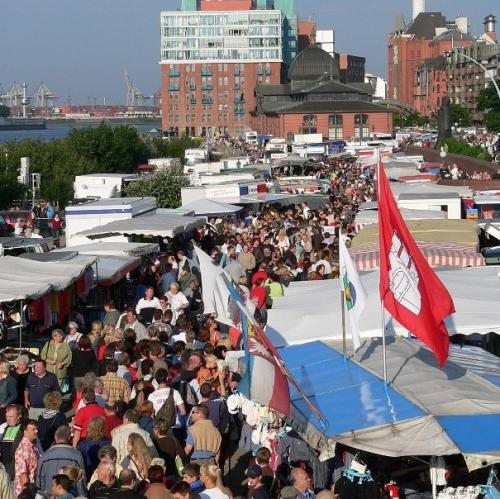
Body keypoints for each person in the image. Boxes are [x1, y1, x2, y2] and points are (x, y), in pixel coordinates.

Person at [37, 424, 86, 497]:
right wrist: (82, 495)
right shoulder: (77, 455)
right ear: (69, 437)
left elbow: (40, 480)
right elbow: (80, 481)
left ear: (55, 437)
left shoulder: (45, 456)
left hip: (49, 495)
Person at [78, 416, 111, 480]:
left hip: (87, 472)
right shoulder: (107, 442)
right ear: (102, 428)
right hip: (102, 472)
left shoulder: (82, 443)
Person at [13, 419, 40, 498]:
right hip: (25, 493)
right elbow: (23, 474)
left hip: (32, 491)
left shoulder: (33, 448)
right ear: (25, 431)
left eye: (37, 429)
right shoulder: (22, 449)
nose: (36, 431)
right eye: (33, 429)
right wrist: (27, 494)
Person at [0, 404, 23, 479]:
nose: (8, 419)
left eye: (11, 417)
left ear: (19, 416)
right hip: (4, 467)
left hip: (16, 468)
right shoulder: (4, 428)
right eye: (7, 416)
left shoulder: (23, 429)